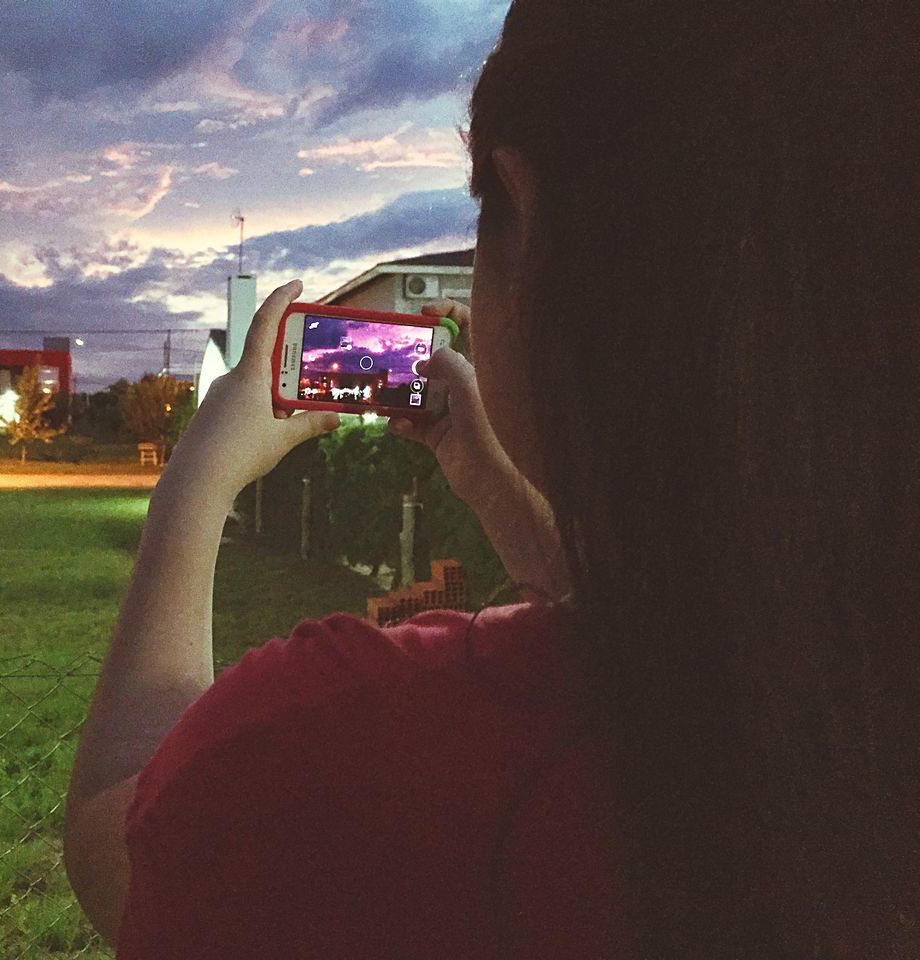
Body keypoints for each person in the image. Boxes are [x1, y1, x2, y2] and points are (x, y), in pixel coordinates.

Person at [63, 1, 919, 956]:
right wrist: (490, 480)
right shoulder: (845, 692)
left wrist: (201, 479)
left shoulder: (352, 746)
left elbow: (122, 840)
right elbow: (656, 636)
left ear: (529, 215)